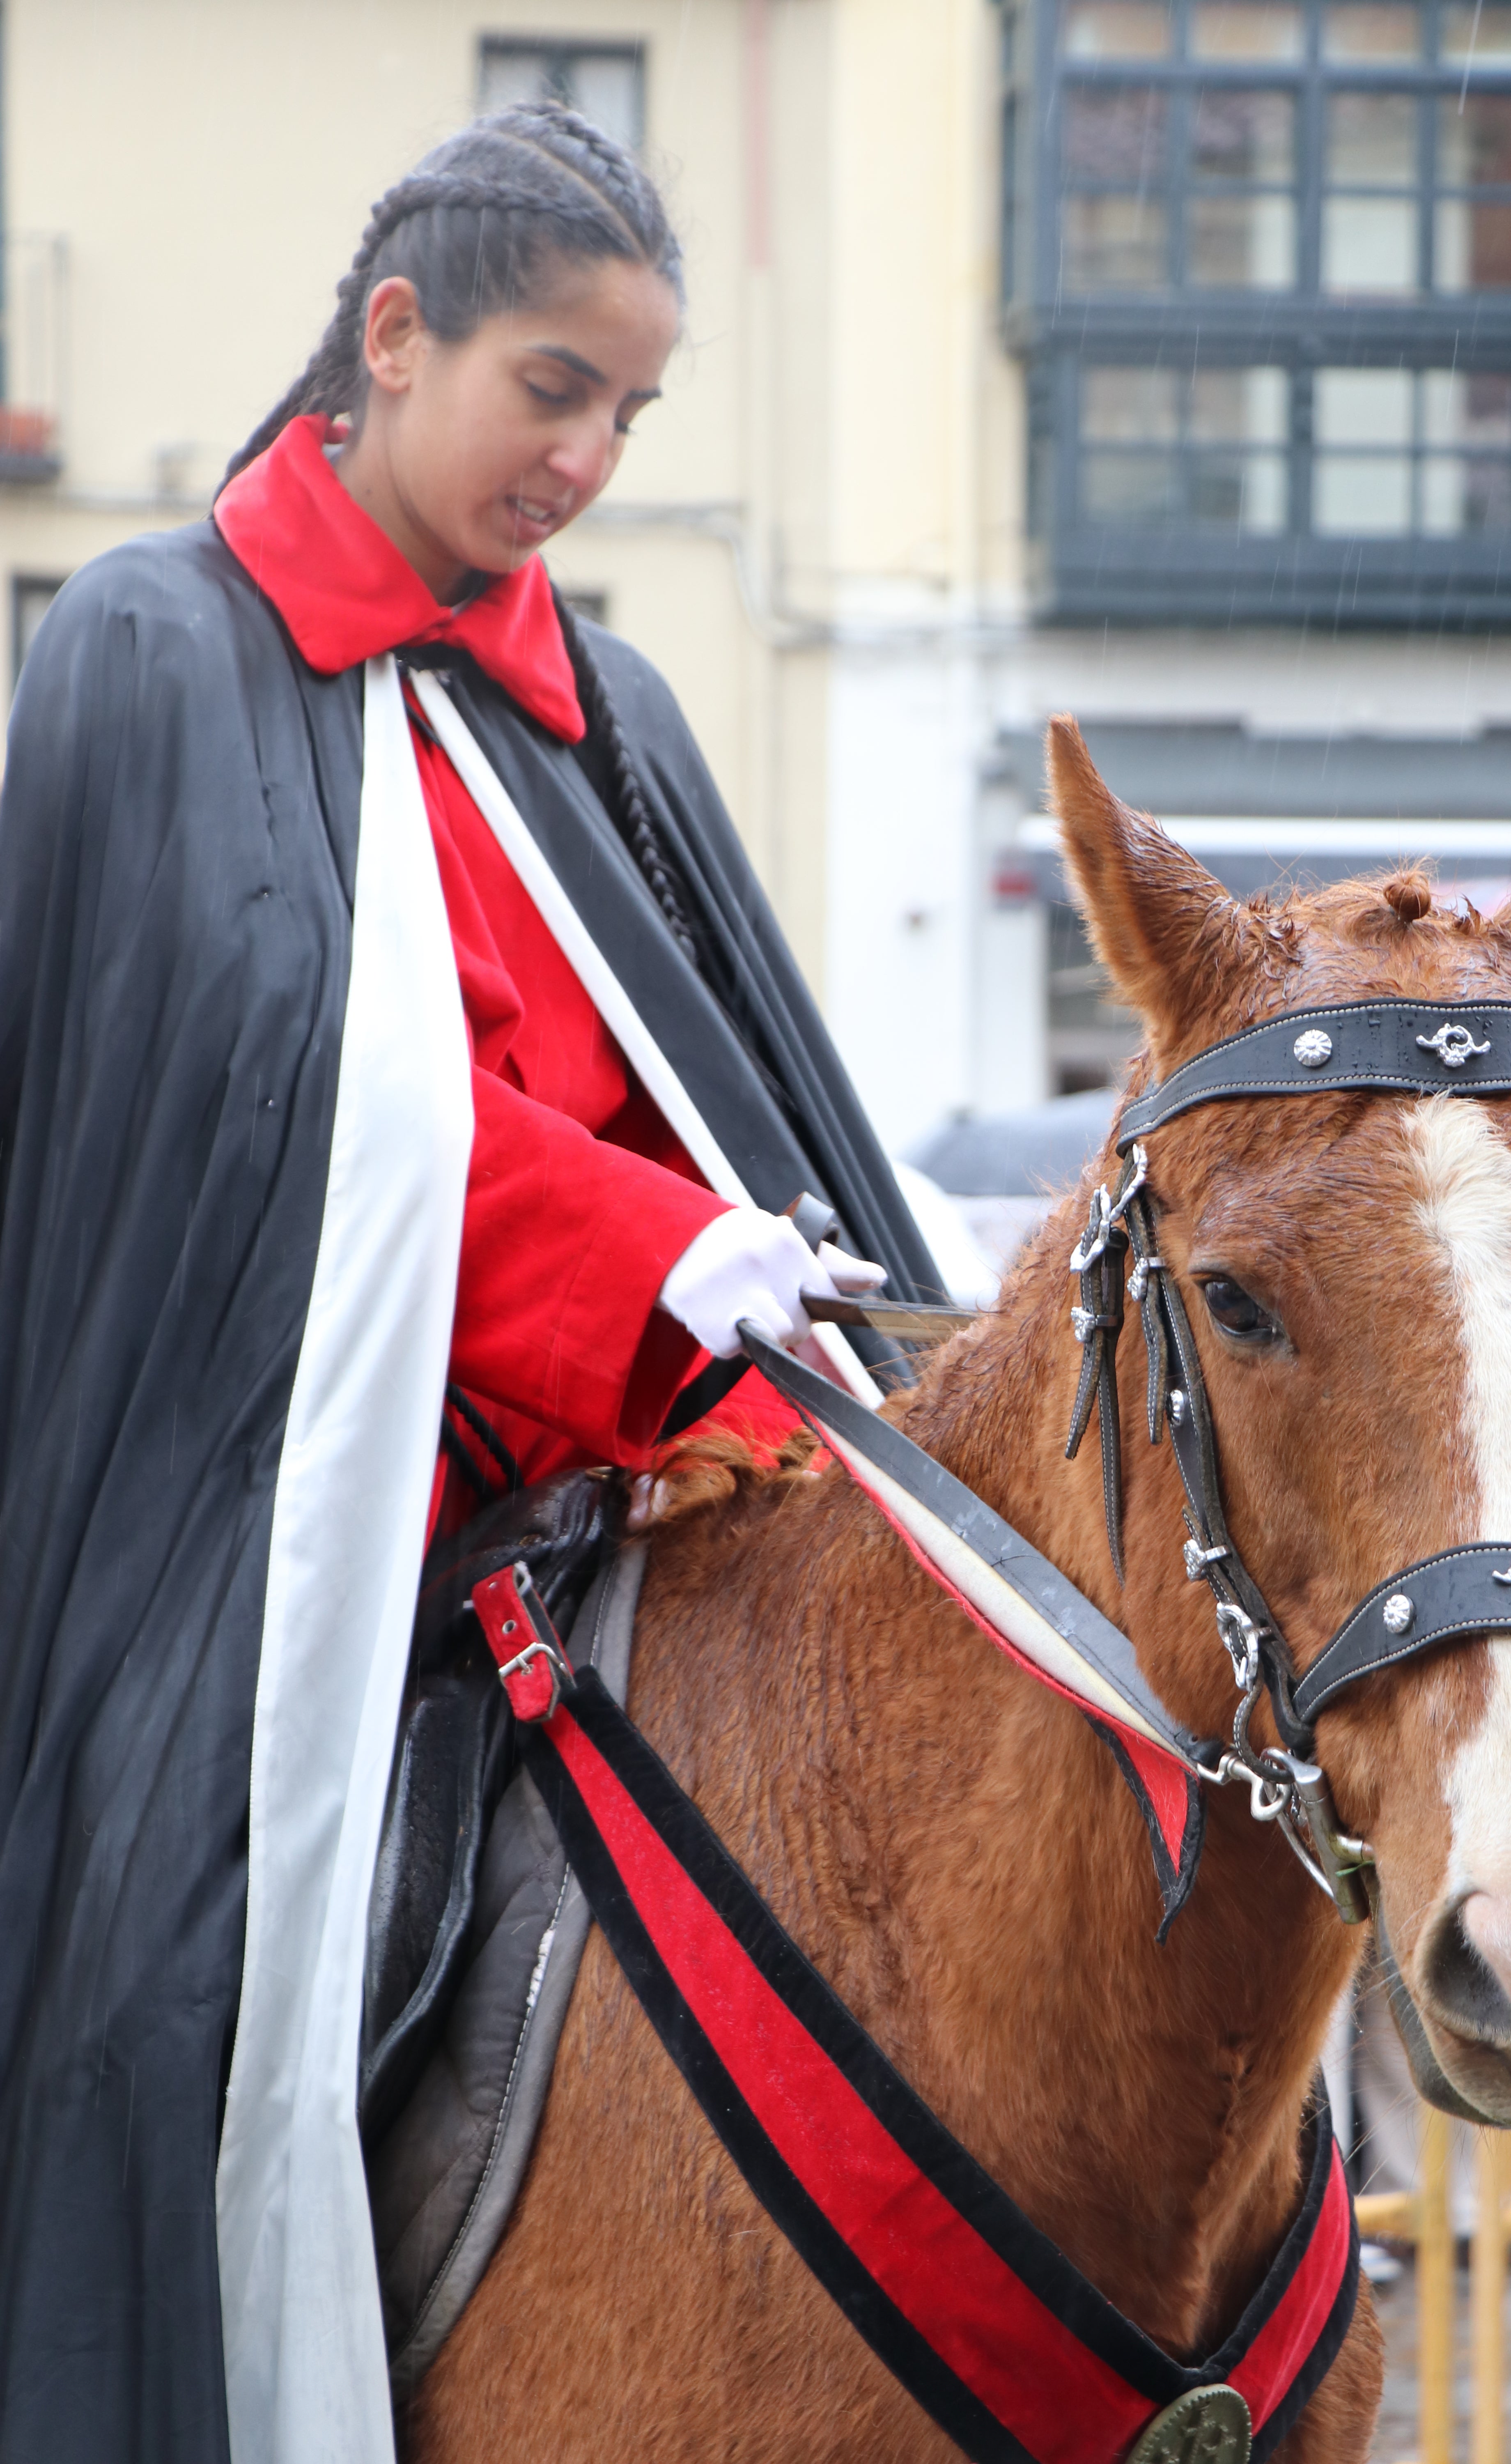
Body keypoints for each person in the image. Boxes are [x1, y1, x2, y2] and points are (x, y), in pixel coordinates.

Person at [0, 102, 941, 2464]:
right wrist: (646, 1259)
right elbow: (266, 1109)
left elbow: (713, 1086)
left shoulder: (606, 711)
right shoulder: (146, 648)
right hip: (256, 1512)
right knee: (134, 2001)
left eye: (632, 413)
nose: (593, 458)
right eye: (554, 386)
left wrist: (765, 1318)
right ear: (395, 338)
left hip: (641, 1457)